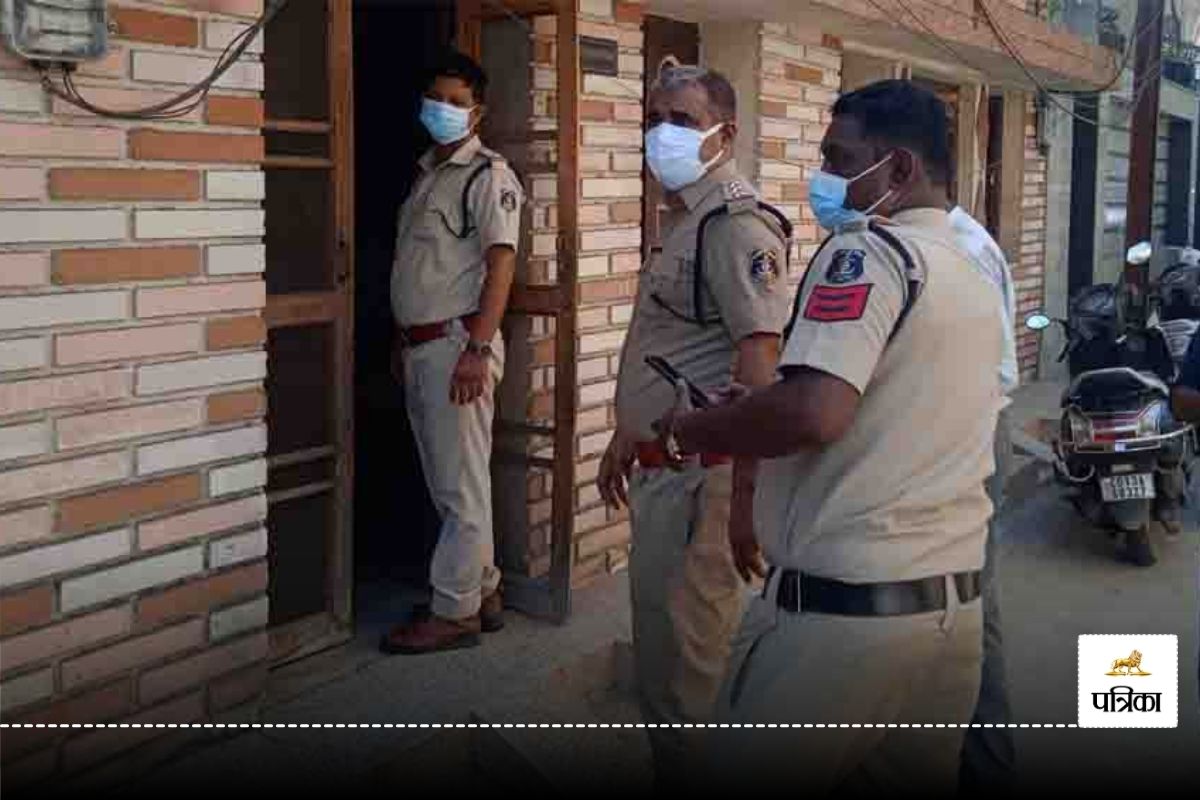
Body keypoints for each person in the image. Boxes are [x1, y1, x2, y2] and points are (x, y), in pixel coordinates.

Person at [652, 79, 1005, 792]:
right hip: (949, 620)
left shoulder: (868, 254)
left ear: (899, 169)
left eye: (839, 159)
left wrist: (694, 427)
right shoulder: (972, 267)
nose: (825, 178)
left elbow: (816, 413)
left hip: (846, 621)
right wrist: (765, 404)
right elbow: (890, 405)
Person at [595, 60, 792, 789]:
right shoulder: (685, 219)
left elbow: (759, 364)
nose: (663, 134)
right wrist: (627, 431)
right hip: (664, 470)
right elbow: (673, 344)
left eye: (682, 121)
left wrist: (743, 502)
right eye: (655, 119)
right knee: (664, 659)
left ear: (724, 135)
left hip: (700, 482)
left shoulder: (735, 226)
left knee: (688, 674)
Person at [380, 50, 524, 655]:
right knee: (452, 481)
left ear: (478, 112)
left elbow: (501, 265)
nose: (444, 110)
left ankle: (454, 612)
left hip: (458, 346)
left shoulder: (488, 177)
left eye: (457, 102)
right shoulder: (428, 173)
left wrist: (477, 348)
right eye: (436, 99)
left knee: (460, 487)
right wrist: (403, 339)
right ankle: (481, 590)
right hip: (425, 346)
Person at [949, 205, 1018, 792]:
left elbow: (968, 368)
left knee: (970, 598)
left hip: (967, 431)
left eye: (844, 163)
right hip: (962, 430)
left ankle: (988, 763)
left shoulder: (960, 246)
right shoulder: (944, 238)